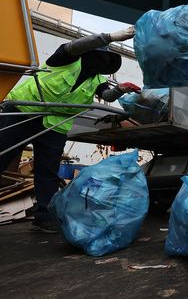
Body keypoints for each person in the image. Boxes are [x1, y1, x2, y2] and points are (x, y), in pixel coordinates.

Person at [0, 27, 140, 233]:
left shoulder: (97, 79)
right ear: (91, 54)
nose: (103, 65)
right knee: (2, 155)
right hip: (25, 110)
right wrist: (110, 37)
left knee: (47, 170)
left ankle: (42, 217)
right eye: (101, 58)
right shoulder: (66, 58)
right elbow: (74, 46)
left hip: (55, 125)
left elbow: (107, 96)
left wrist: (120, 89)